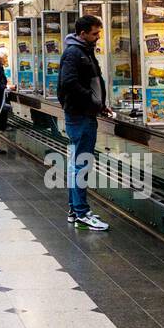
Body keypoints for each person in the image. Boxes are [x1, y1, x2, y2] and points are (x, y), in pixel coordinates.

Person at [57, 14, 113, 231]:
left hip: (85, 112)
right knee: (81, 164)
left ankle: (75, 209)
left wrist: (100, 104)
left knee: (78, 163)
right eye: (95, 33)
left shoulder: (83, 51)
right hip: (80, 115)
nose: (98, 37)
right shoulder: (74, 53)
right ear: (82, 34)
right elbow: (69, 82)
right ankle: (81, 213)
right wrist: (92, 101)